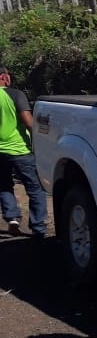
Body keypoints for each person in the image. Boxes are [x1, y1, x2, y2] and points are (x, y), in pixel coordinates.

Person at [0, 67, 47, 239]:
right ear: (4, 77)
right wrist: (41, 142)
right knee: (35, 188)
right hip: (19, 150)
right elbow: (28, 122)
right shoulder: (15, 94)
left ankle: (12, 218)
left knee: (4, 185)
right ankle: (38, 227)